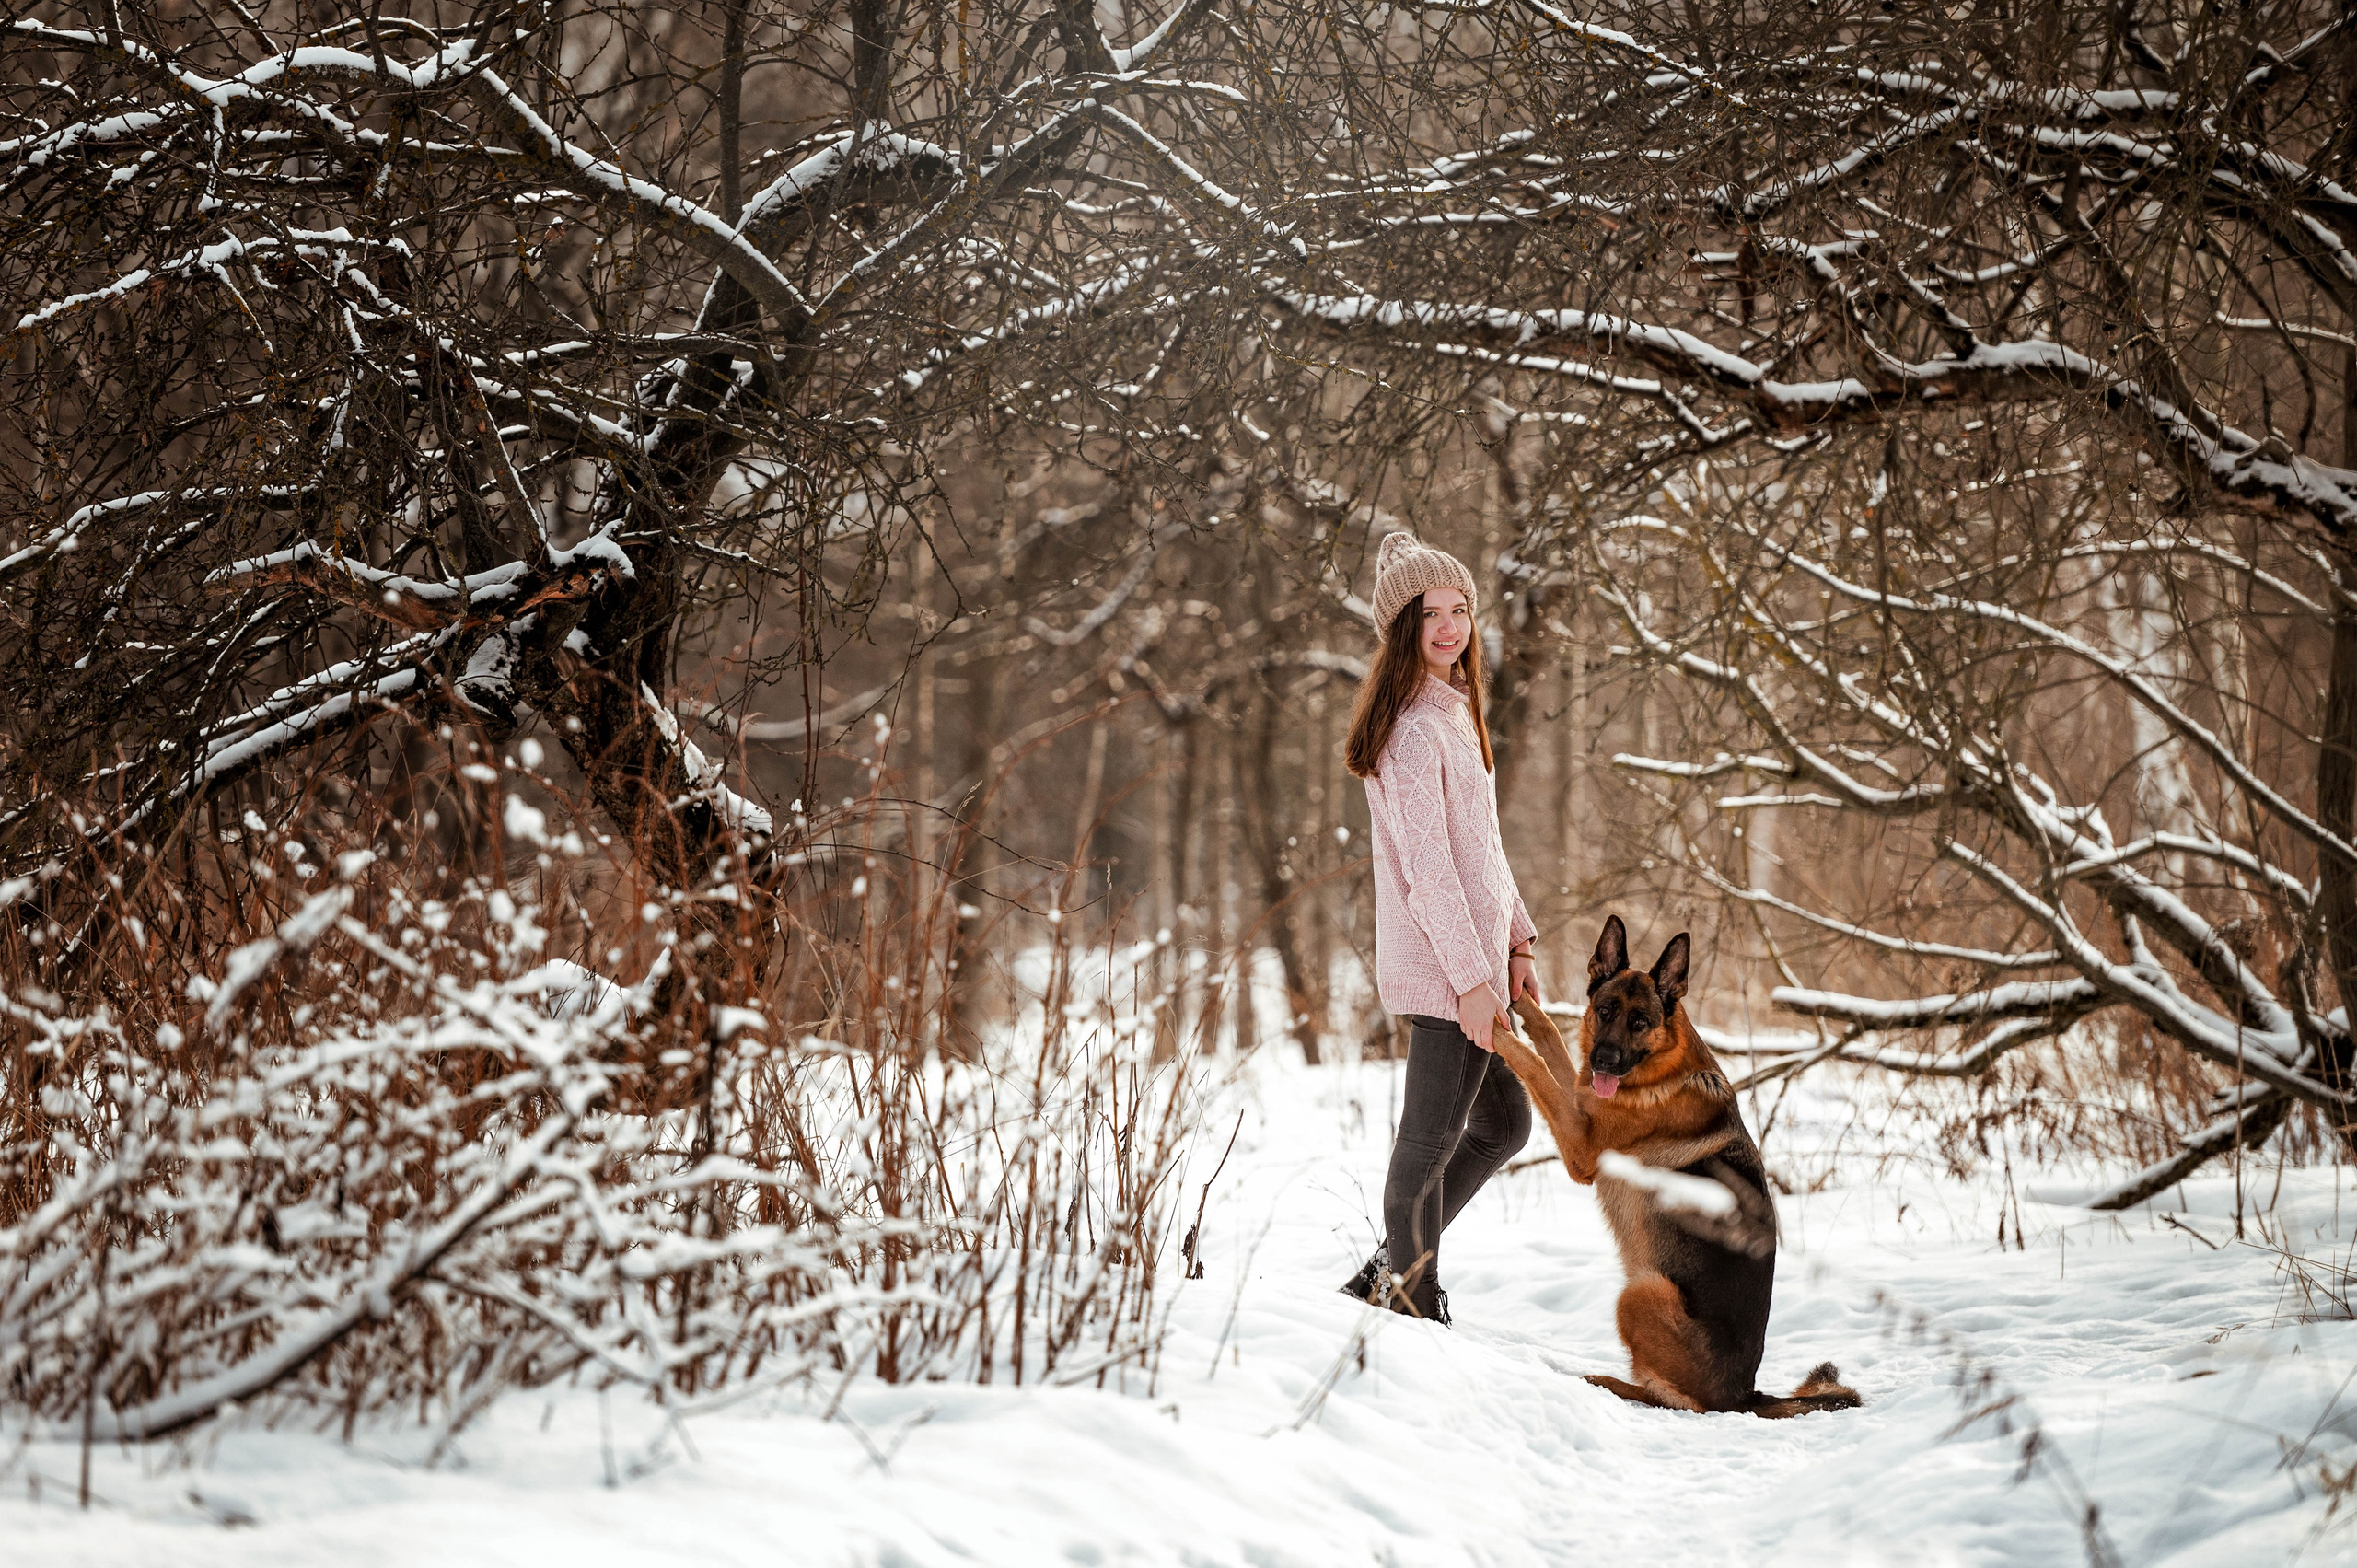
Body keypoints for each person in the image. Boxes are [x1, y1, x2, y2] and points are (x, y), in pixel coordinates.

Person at [1339, 531, 1541, 1325]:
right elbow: (1432, 876)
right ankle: (1411, 1305)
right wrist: (1472, 981)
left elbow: (1482, 853)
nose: (1452, 626)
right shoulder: (1414, 734)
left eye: (1461, 609)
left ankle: (1388, 1277)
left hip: (1480, 965)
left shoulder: (1453, 717)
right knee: (1425, 1146)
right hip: (1448, 972)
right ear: (1404, 630)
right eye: (1432, 614)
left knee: (1503, 1123)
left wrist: (1518, 941)